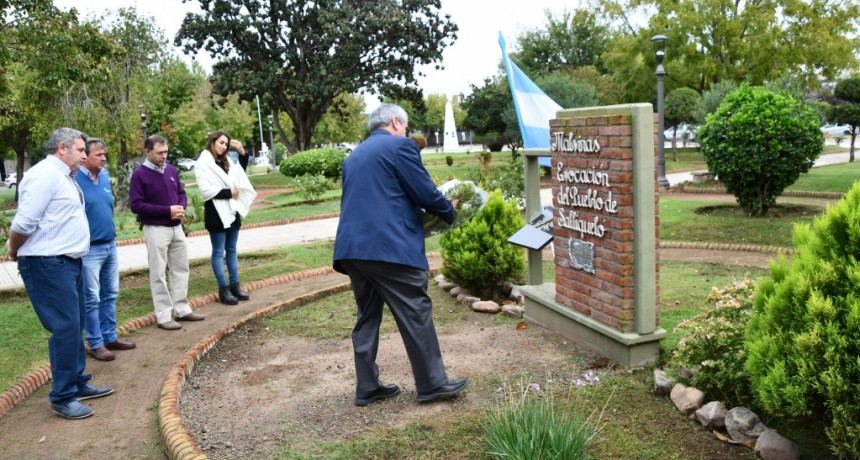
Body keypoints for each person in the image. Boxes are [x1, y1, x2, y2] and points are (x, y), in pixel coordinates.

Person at [333, 103, 468, 406]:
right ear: (395, 122)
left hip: (352, 249)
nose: (406, 132)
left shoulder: (353, 156)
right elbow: (423, 191)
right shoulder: (400, 147)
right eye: (405, 126)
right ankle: (433, 384)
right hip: (389, 247)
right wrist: (448, 209)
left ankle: (367, 386)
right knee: (415, 310)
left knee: (367, 316)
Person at [6, 128, 114, 419]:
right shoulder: (44, 175)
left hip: (68, 262)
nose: (84, 155)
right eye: (80, 150)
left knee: (75, 324)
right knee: (65, 327)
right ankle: (63, 397)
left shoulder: (64, 176)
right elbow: (24, 223)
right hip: (47, 263)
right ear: (62, 148)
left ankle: (77, 383)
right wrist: (13, 249)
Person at [130, 134, 205, 330]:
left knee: (181, 268)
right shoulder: (139, 175)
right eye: (159, 153)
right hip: (156, 229)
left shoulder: (170, 169)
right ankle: (164, 316)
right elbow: (136, 205)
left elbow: (181, 193)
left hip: (176, 227)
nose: (164, 156)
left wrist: (181, 206)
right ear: (147, 151)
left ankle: (182, 309)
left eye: (166, 152)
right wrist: (166, 211)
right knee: (158, 273)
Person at [194, 131, 256, 305]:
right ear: (212, 141)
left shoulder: (226, 161)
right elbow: (206, 191)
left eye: (226, 144)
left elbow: (239, 176)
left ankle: (235, 285)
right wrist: (230, 193)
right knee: (218, 252)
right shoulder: (203, 163)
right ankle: (223, 288)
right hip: (215, 213)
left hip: (232, 210)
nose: (224, 146)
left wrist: (242, 153)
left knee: (232, 250)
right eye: (221, 142)